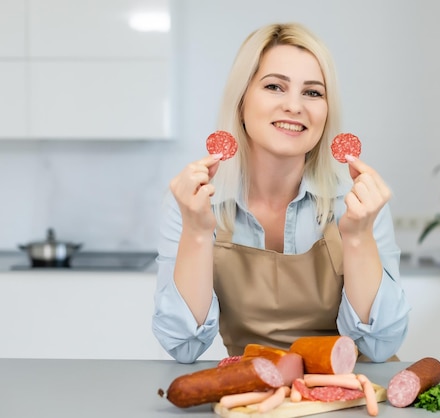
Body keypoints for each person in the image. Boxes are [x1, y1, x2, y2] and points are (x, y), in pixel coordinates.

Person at [152, 22, 410, 364]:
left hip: (354, 393)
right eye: (275, 86)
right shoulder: (195, 200)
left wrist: (359, 237)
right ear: (242, 100)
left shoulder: (357, 199)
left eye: (313, 92)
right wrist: (198, 233)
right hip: (256, 396)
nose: (294, 106)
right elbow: (183, 346)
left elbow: (380, 347)